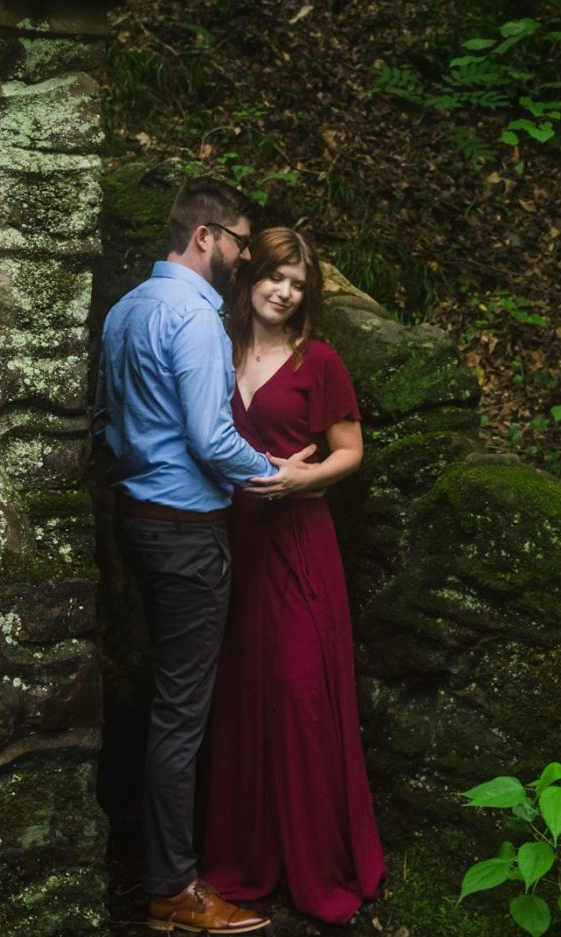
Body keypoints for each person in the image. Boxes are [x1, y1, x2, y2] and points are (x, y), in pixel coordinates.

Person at [94, 178, 314, 935]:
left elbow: (104, 421)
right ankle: (172, 890)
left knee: (167, 703)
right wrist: (276, 473)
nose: (246, 256)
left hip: (138, 524)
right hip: (187, 533)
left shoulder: (127, 309)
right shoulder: (194, 317)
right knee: (181, 714)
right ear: (204, 238)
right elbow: (208, 437)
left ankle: (163, 871)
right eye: (241, 241)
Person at [199, 227, 387, 924]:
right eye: (276, 276)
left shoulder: (321, 361)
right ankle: (253, 856)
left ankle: (320, 861)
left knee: (300, 691)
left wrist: (304, 480)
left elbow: (351, 450)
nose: (283, 291)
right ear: (250, 276)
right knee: (245, 694)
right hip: (235, 543)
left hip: (300, 543)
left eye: (297, 284)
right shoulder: (216, 349)